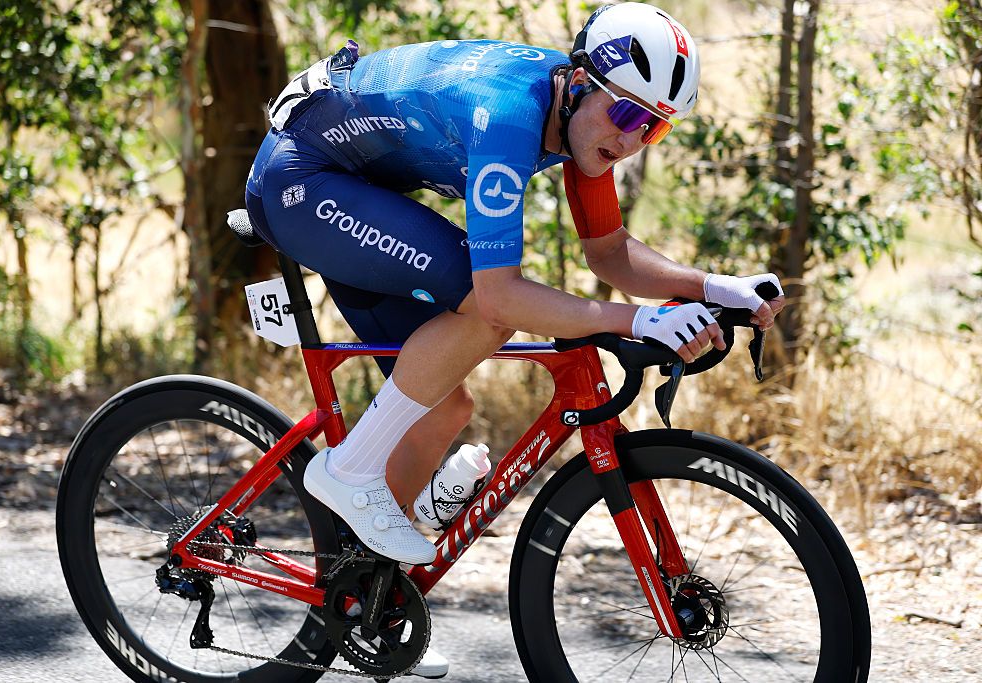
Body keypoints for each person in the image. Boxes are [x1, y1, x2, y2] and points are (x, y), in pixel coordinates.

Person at [245, 3, 784, 677]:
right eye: (627, 115)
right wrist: (632, 320)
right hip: (302, 181)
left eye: (656, 127)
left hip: (352, 187)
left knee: (443, 407)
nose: (635, 139)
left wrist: (713, 286)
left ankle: (367, 602)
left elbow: (610, 252)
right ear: (583, 81)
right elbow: (499, 296)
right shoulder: (509, 115)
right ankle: (348, 470)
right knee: (487, 311)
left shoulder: (588, 121)